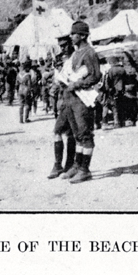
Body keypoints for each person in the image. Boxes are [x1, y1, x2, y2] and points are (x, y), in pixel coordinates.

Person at [59, 20, 102, 184]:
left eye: (74, 34)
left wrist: (77, 84)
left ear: (83, 35)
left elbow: (96, 76)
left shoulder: (89, 53)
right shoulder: (76, 53)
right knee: (77, 134)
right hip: (71, 98)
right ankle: (77, 165)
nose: (71, 37)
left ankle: (85, 169)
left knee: (85, 134)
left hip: (83, 99)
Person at [47, 35, 77, 179]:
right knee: (57, 131)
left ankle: (69, 164)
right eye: (61, 46)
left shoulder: (77, 57)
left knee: (71, 133)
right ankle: (58, 164)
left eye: (65, 45)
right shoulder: (61, 59)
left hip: (75, 99)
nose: (63, 48)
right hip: (64, 100)